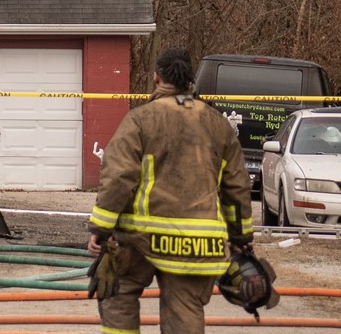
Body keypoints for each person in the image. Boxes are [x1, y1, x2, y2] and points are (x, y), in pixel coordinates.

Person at [89, 47, 253, 334]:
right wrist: (240, 238)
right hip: (198, 244)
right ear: (189, 79)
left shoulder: (140, 120)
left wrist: (101, 229)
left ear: (157, 77)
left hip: (141, 239)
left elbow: (118, 177)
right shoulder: (219, 125)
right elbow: (236, 187)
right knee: (185, 311)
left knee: (117, 293)